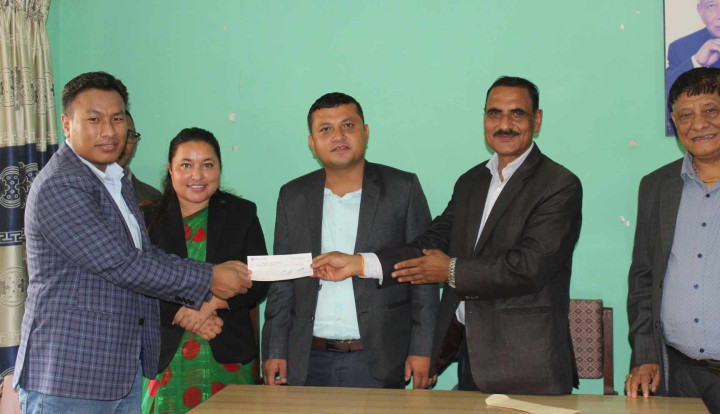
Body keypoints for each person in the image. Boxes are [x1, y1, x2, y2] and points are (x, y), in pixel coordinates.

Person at [313, 77, 583, 395]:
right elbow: (430, 243)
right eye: (494, 113)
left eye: (517, 114)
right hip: (471, 358)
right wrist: (359, 264)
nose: (504, 125)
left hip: (528, 362)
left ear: (536, 121)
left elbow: (529, 267)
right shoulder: (471, 182)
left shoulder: (558, 184)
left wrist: (450, 270)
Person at [13, 72, 250, 413]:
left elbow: (145, 255)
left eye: (117, 118)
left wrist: (207, 282)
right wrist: (209, 277)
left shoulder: (115, 179)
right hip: (70, 374)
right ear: (66, 124)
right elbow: (122, 263)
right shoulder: (61, 184)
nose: (109, 131)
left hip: (118, 372)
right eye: (94, 119)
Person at [262, 92, 438, 389]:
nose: (338, 136)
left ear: (365, 132)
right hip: (307, 356)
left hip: (378, 356)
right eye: (326, 129)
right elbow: (283, 281)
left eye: (348, 125)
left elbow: (423, 271)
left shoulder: (402, 188)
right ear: (312, 143)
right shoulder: (293, 195)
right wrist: (275, 349)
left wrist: (423, 348)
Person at [141, 127, 268, 413]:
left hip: (228, 352)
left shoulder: (241, 213)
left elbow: (259, 281)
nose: (197, 176)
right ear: (171, 169)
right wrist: (180, 313)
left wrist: (209, 305)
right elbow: (137, 281)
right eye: (186, 165)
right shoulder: (146, 218)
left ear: (219, 168)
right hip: (167, 355)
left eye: (207, 165)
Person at [626, 67, 720, 412]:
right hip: (676, 373)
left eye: (711, 110)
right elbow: (643, 277)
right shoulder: (657, 186)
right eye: (685, 115)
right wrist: (645, 355)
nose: (699, 124)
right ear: (674, 122)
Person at [665, 0, 720, 135]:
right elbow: (661, 99)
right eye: (711, 6)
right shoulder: (681, 48)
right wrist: (696, 62)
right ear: (700, 11)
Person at [117, 111, 161, 205]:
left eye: (129, 135)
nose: (122, 144)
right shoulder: (85, 189)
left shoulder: (153, 198)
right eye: (116, 134)